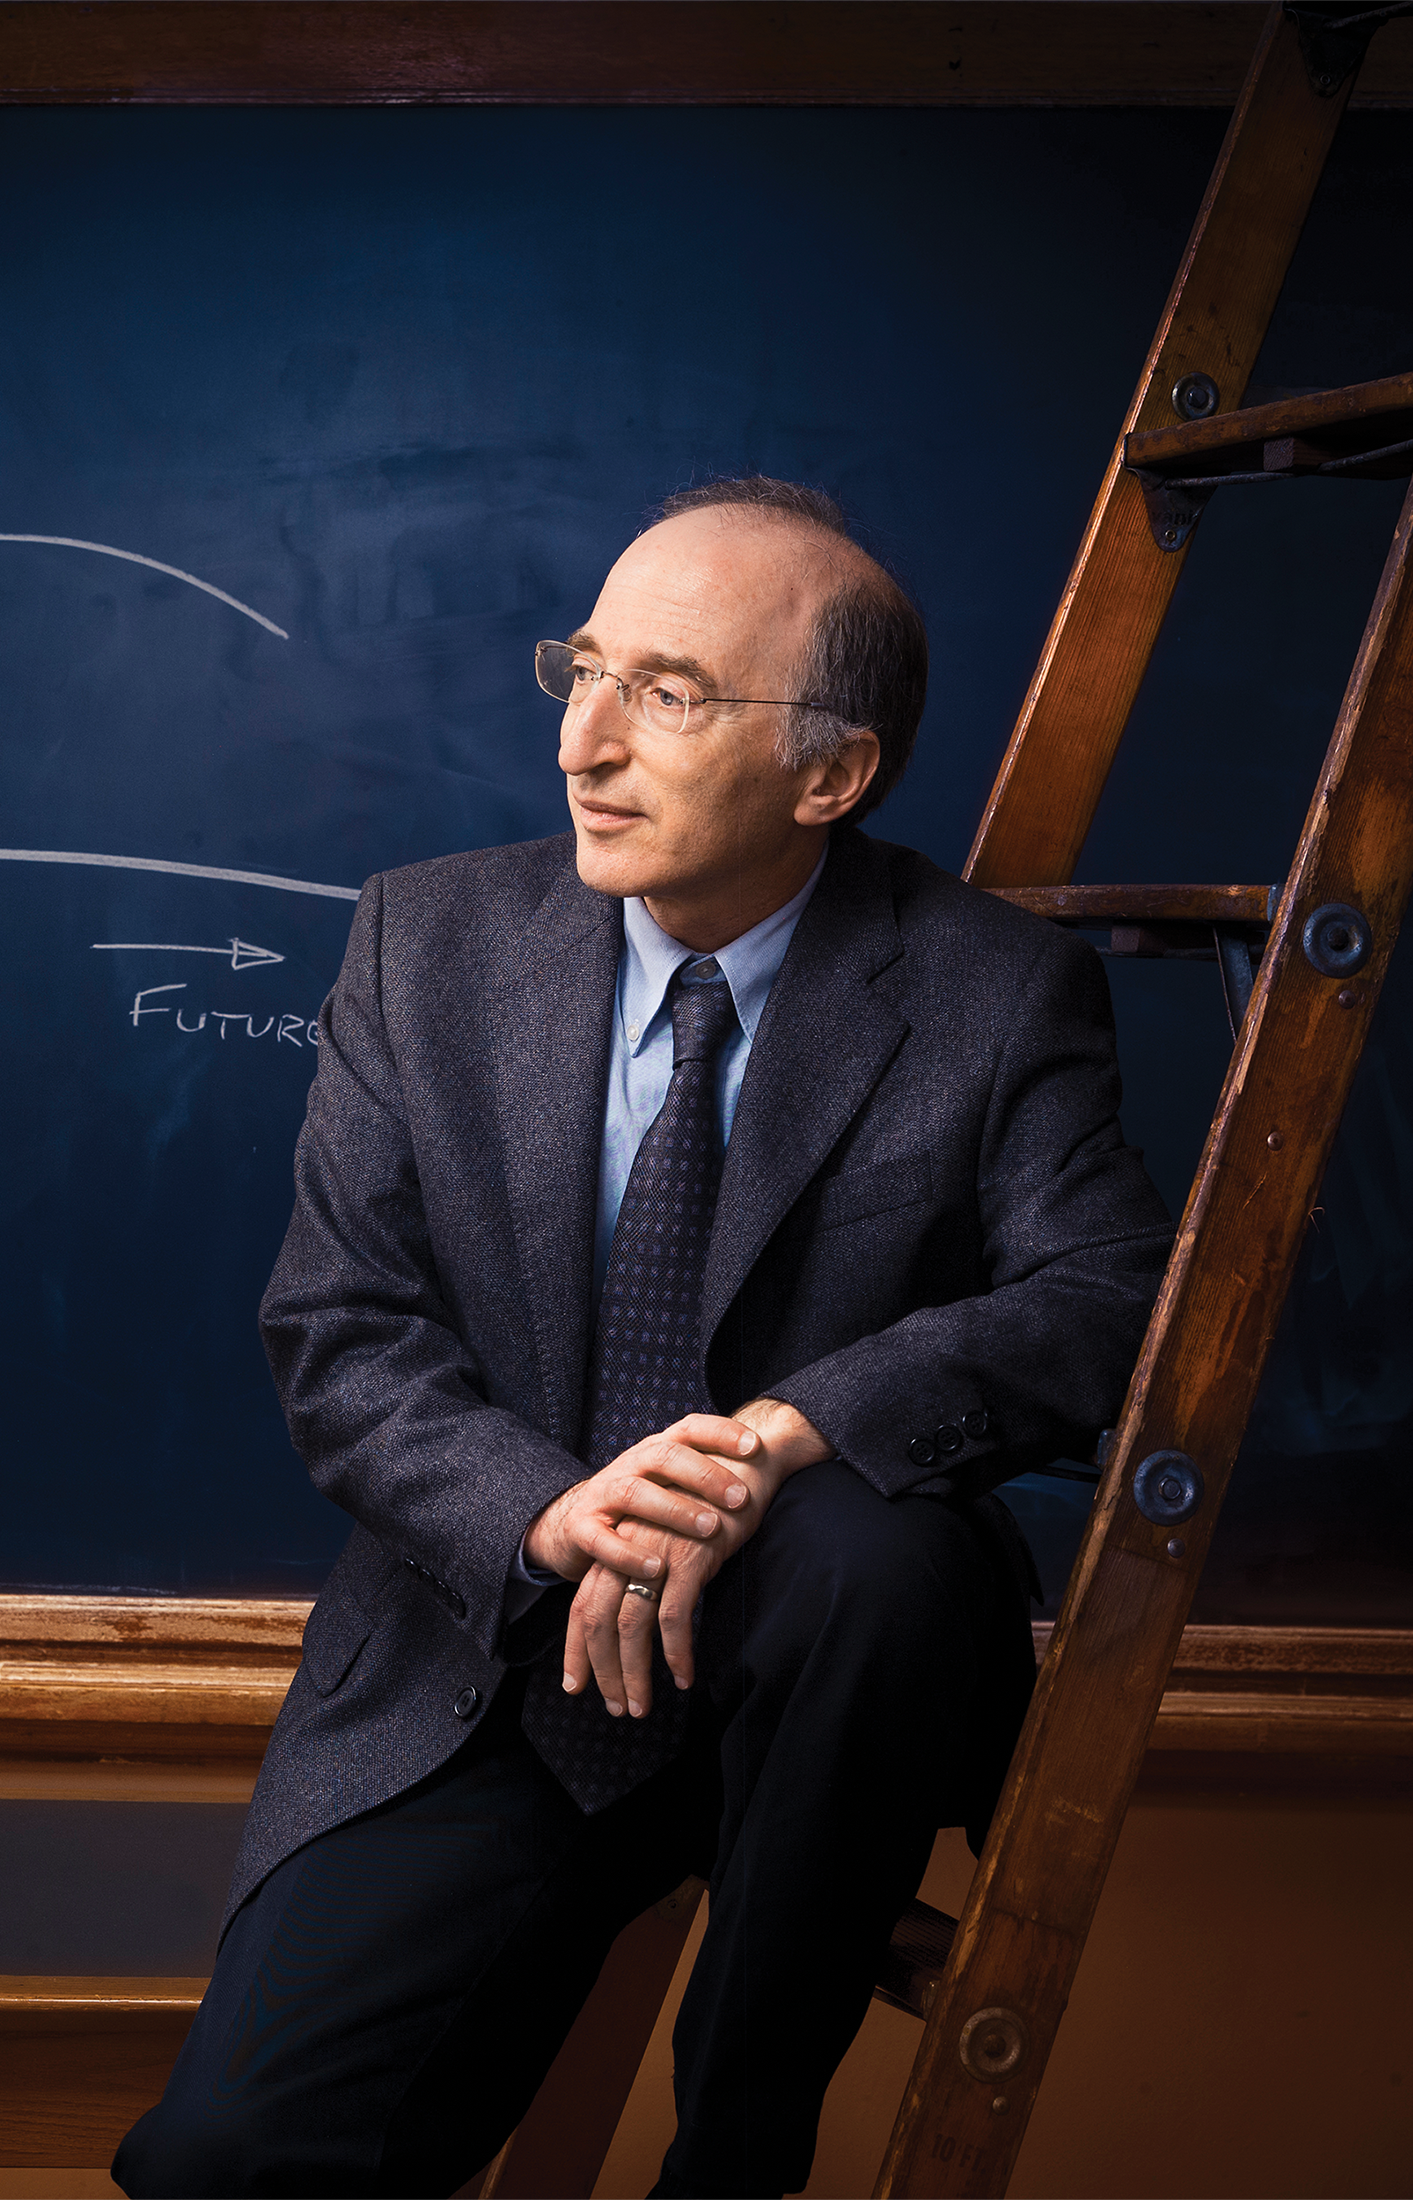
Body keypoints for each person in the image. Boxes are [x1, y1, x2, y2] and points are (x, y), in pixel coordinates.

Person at [115, 477, 1172, 2199]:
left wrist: (777, 1436)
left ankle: (734, 2164)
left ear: (831, 774)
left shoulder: (990, 986)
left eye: (668, 693)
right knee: (227, 2161)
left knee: (867, 1549)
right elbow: (342, 1327)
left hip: (819, 1685)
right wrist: (555, 1515)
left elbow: (1113, 1299)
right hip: (497, 1663)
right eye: (581, 672)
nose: (583, 747)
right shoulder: (425, 941)